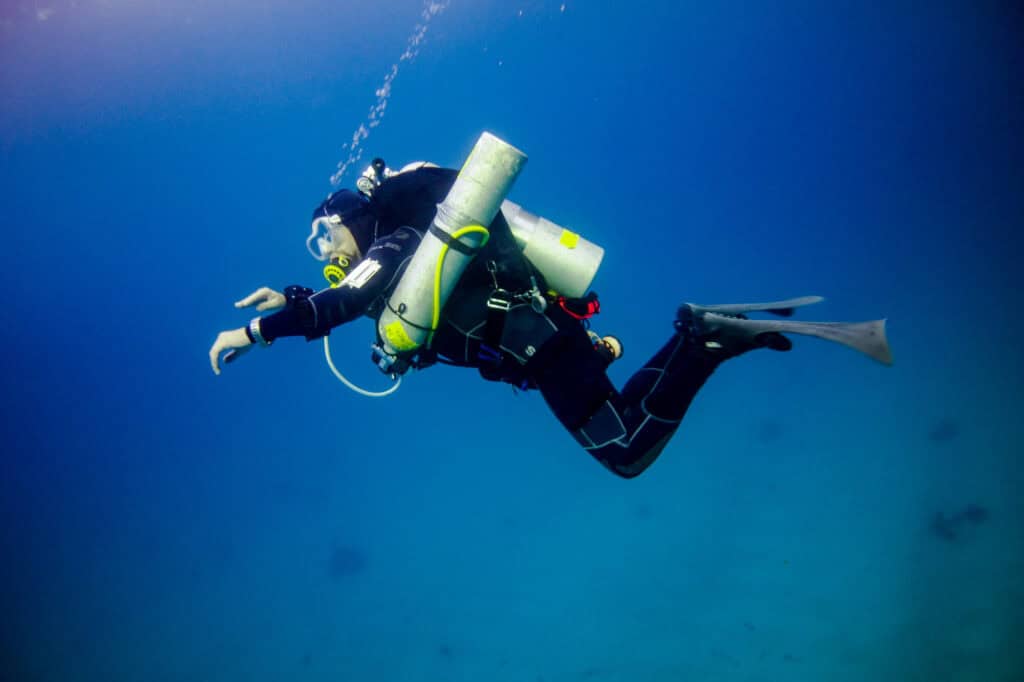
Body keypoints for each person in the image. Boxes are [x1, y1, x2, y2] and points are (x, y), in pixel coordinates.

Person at [210, 159, 891, 478]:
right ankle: (700, 338)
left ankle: (705, 341)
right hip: (544, 342)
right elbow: (353, 293)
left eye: (323, 236)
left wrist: (254, 333)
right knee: (623, 421)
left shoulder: (392, 242)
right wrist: (292, 294)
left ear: (349, 219)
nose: (324, 250)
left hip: (542, 347)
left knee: (624, 455)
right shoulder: (393, 252)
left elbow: (347, 300)